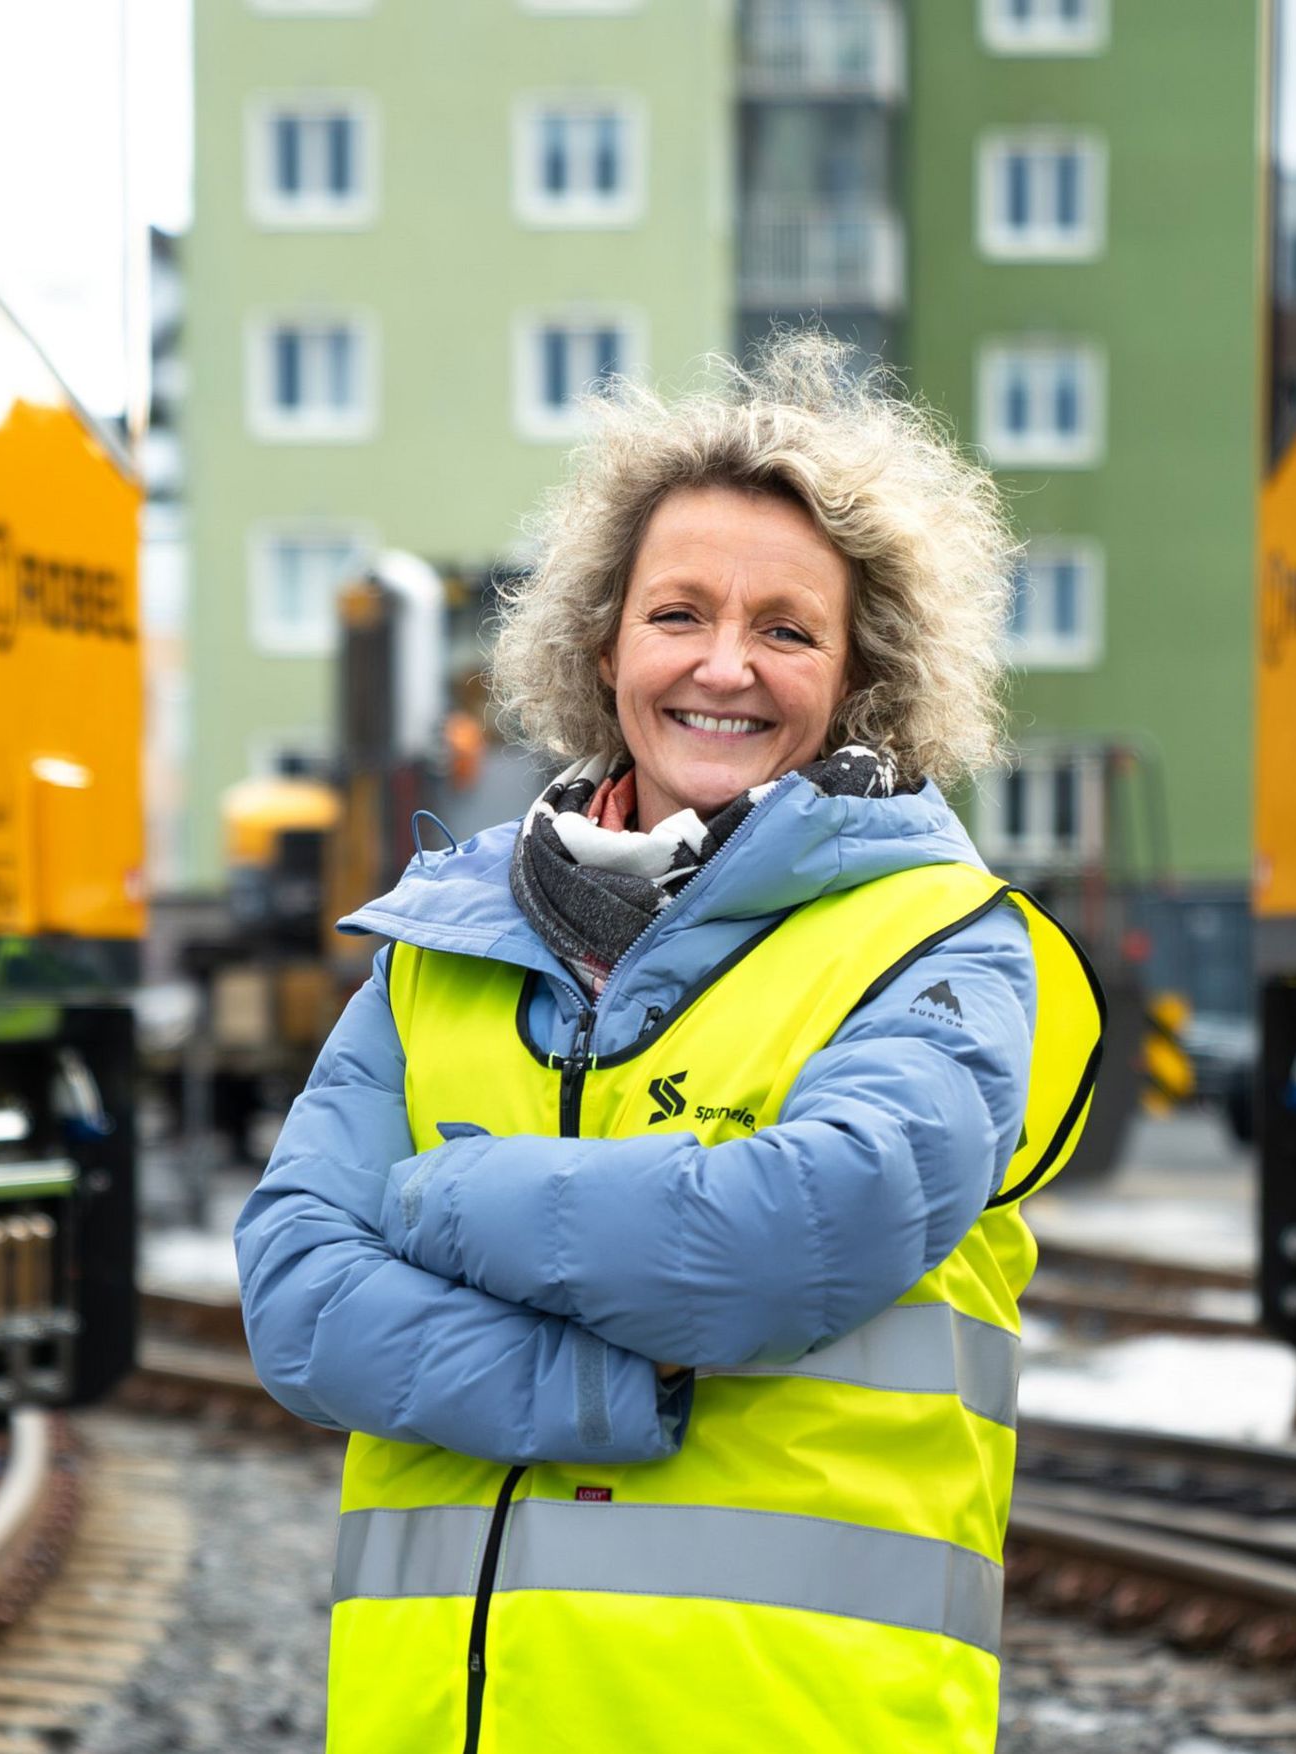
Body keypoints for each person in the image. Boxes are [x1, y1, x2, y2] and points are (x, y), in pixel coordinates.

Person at [234, 333, 1102, 1754]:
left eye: (787, 629)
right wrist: (598, 1383)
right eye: (678, 613)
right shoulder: (447, 941)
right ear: (603, 646)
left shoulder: (944, 944)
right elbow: (297, 1295)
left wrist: (436, 1196)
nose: (724, 666)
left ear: (862, 676)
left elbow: (786, 1232)